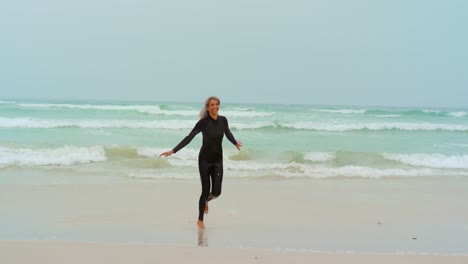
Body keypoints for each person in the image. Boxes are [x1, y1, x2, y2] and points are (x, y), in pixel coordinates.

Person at [160, 96, 242, 229]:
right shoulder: (203, 123)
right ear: (208, 108)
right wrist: (173, 151)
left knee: (216, 192)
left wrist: (235, 143)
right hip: (204, 160)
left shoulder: (223, 120)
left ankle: (207, 202)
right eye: (212, 105)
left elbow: (227, 132)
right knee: (205, 190)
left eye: (217, 104)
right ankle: (200, 220)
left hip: (217, 161)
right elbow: (189, 137)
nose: (215, 107)